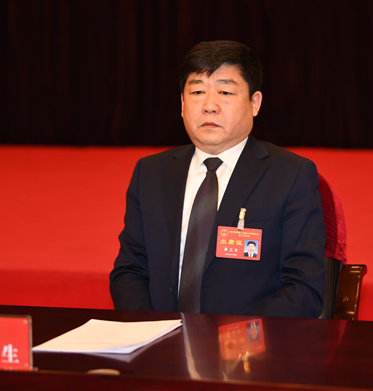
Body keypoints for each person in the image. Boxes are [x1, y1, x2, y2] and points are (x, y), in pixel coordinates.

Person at [109, 40, 326, 318]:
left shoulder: (290, 175)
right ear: (182, 103)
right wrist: (151, 330)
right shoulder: (151, 173)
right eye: (198, 91)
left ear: (255, 103)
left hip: (248, 342)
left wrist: (235, 340)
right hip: (160, 338)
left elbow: (304, 288)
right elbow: (130, 271)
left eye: (225, 92)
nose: (209, 106)